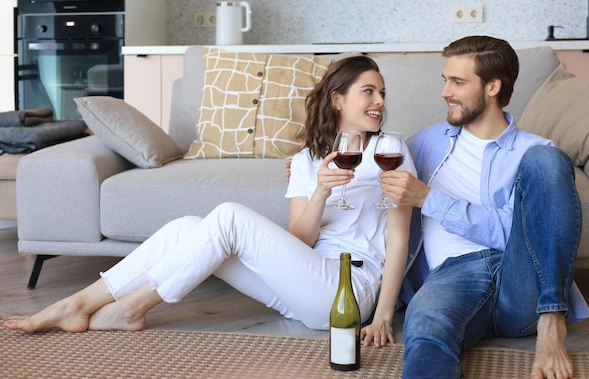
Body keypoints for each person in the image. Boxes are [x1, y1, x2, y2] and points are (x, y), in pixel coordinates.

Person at [4, 56, 417, 349]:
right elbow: (300, 241)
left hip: (349, 293)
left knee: (228, 217)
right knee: (186, 226)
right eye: (368, 91)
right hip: (303, 284)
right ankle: (80, 303)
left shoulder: (391, 152)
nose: (379, 101)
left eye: (381, 92)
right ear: (338, 99)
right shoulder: (306, 160)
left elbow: (398, 242)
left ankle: (132, 307)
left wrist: (382, 316)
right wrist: (321, 192)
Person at [379, 36, 589, 379]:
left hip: (521, 280)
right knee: (426, 331)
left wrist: (429, 199)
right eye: (445, 80)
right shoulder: (426, 141)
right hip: (451, 277)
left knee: (549, 160)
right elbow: (365, 146)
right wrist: (311, 155)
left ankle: (552, 321)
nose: (445, 92)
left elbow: (521, 234)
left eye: (458, 82)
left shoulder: (535, 154)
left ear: (492, 86)